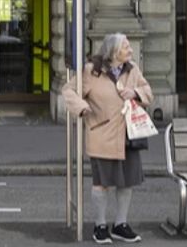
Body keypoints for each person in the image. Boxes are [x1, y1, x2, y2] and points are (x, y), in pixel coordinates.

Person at [63, 33, 154, 244]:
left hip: (128, 135)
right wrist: (83, 108)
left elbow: (148, 91)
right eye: (126, 47)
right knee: (102, 183)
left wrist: (136, 92)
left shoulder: (132, 69)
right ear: (113, 52)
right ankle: (100, 225)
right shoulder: (91, 71)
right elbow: (68, 91)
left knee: (127, 181)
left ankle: (120, 225)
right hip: (102, 134)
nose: (130, 50)